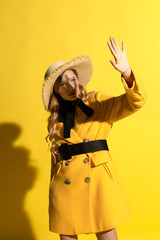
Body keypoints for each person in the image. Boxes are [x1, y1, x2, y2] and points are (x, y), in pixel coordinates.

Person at [42, 37, 147, 240]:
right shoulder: (55, 120)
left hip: (98, 183)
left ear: (78, 80)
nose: (70, 86)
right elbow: (55, 162)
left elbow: (134, 103)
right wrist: (52, 194)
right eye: (62, 84)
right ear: (56, 91)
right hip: (65, 188)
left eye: (72, 79)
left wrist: (127, 73)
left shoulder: (96, 102)